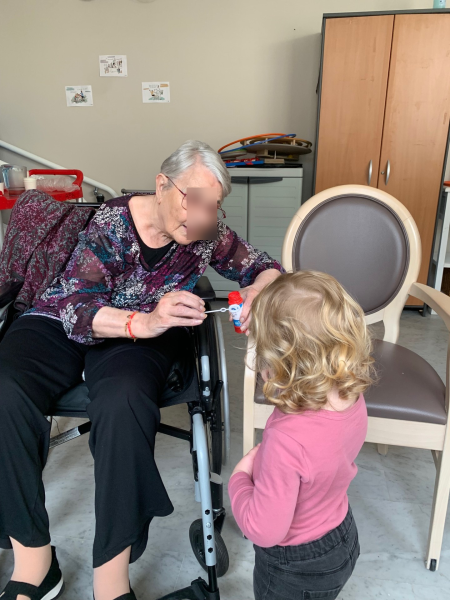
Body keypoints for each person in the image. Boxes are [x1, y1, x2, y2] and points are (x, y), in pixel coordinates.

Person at [0, 140, 283, 600]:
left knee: (125, 399)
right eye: (193, 199)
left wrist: (257, 291)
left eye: (213, 205)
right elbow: (77, 308)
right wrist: (146, 320)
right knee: (5, 387)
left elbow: (266, 267)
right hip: (63, 317)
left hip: (140, 338)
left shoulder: (207, 231)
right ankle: (34, 562)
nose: (202, 215)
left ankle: (111, 580)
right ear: (162, 184)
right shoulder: (112, 225)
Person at [229, 271, 374, 600]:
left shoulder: (287, 439)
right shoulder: (351, 395)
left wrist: (239, 480)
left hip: (295, 565)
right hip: (342, 534)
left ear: (277, 364)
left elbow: (263, 530)